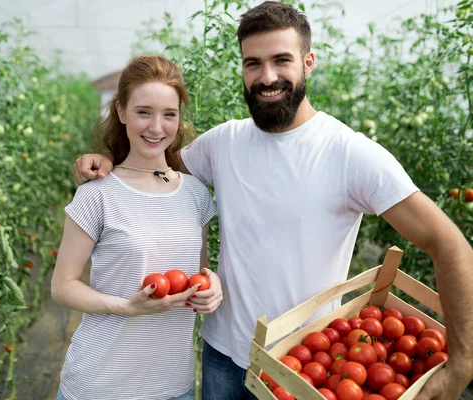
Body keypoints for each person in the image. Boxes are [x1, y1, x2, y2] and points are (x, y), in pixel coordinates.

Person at [72, 3, 473, 400]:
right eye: (253, 63)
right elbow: (151, 169)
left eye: (282, 60)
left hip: (300, 367)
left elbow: (449, 245)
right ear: (243, 69)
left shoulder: (351, 155)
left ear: (308, 62)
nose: (267, 77)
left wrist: (463, 363)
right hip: (221, 357)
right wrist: (107, 161)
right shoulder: (222, 143)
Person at [51, 55, 221, 400]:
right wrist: (126, 307)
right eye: (144, 111)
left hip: (174, 386)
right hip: (101, 386)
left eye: (168, 114)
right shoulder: (97, 193)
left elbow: (196, 272)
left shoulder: (195, 194)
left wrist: (211, 285)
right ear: (121, 112)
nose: (157, 127)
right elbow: (62, 287)